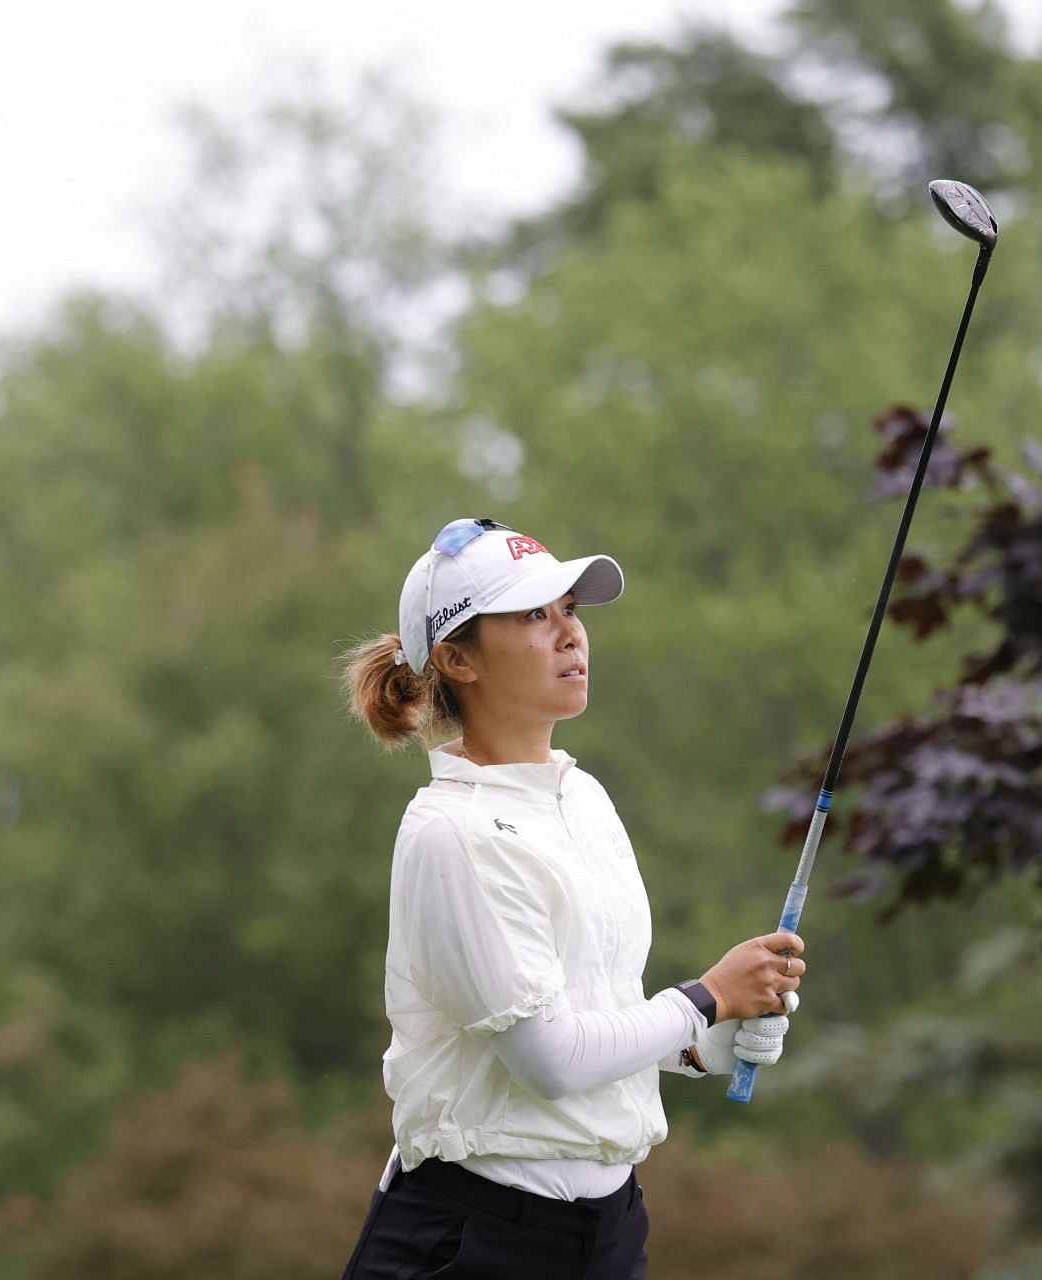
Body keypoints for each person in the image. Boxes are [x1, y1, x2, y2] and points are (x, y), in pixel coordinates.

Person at [338, 517, 806, 1280]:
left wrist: (703, 1049)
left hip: (610, 1234)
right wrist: (704, 1000)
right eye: (532, 615)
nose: (568, 636)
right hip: (470, 1239)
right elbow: (550, 1060)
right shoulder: (449, 833)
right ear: (456, 658)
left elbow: (598, 1011)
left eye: (570, 611)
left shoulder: (581, 795)